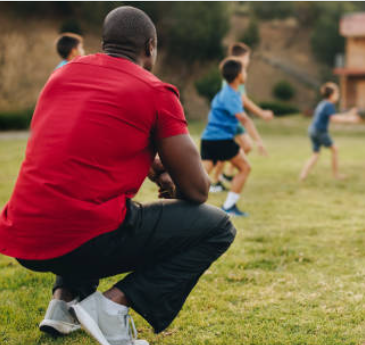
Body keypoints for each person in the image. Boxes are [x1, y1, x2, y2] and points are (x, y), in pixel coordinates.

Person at [0, 7, 236, 345]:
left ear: (104, 43)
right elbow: (198, 189)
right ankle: (110, 308)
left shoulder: (62, 76)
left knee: (84, 197)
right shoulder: (156, 92)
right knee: (218, 227)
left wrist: (156, 168)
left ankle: (63, 303)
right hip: (81, 235)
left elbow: (83, 145)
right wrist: (172, 182)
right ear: (150, 46)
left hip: (24, 235)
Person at [201, 58, 263, 217]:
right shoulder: (231, 95)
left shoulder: (228, 93)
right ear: (238, 76)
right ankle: (229, 206)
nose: (246, 73)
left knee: (201, 175)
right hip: (220, 140)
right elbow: (244, 119)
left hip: (209, 139)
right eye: (244, 71)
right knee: (245, 168)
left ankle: (181, 201)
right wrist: (259, 141)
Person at [210, 42, 273, 193]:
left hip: (233, 117)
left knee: (245, 146)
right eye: (248, 57)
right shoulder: (236, 74)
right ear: (242, 57)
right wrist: (261, 113)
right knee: (226, 151)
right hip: (230, 118)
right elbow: (243, 100)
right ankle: (216, 181)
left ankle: (224, 176)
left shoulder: (236, 72)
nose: (249, 60)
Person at [299, 82, 361, 181]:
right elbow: (334, 118)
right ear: (331, 95)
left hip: (312, 130)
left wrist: (349, 114)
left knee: (316, 154)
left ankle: (303, 175)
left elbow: (334, 115)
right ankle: (336, 175)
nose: (338, 95)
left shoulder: (323, 103)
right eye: (337, 93)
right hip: (320, 131)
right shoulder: (329, 105)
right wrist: (350, 119)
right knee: (335, 149)